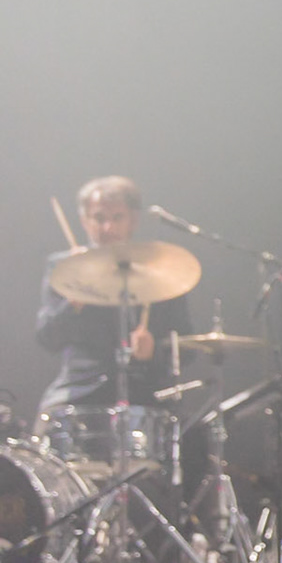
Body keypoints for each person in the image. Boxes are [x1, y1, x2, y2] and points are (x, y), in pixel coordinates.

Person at [34, 176, 192, 416]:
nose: (108, 227)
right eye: (99, 218)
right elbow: (47, 338)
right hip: (80, 391)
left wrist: (153, 353)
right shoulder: (65, 269)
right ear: (84, 221)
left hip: (146, 394)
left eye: (117, 218)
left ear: (133, 220)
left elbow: (187, 347)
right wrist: (72, 303)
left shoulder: (162, 271)